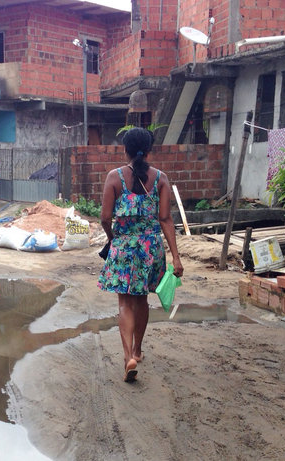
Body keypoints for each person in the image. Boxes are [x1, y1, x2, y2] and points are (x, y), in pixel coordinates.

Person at [98, 127, 183, 383]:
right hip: (150, 249)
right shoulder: (160, 179)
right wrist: (176, 258)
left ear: (125, 149)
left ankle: (128, 358)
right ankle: (138, 349)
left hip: (123, 247)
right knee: (142, 301)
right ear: (148, 151)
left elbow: (104, 218)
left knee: (124, 303)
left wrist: (114, 239)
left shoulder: (114, 177)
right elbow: (166, 219)